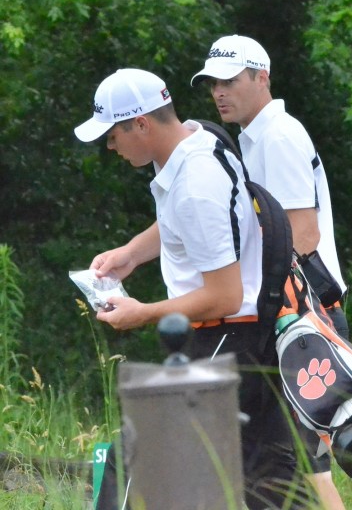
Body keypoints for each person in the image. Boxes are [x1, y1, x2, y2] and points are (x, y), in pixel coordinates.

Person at [74, 68, 317, 510]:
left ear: (142, 124)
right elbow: (181, 225)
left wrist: (141, 311)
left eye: (112, 135)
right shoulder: (198, 140)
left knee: (133, 458)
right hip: (251, 338)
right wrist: (131, 252)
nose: (110, 146)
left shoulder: (195, 185)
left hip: (227, 338)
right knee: (269, 485)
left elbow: (223, 292)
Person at [191, 35, 350, 510]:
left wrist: (253, 301)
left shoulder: (277, 136)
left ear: (262, 77)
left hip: (304, 317)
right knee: (300, 465)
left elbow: (302, 236)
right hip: (294, 314)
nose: (220, 91)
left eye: (231, 80)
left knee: (299, 465)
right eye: (213, 83)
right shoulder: (254, 134)